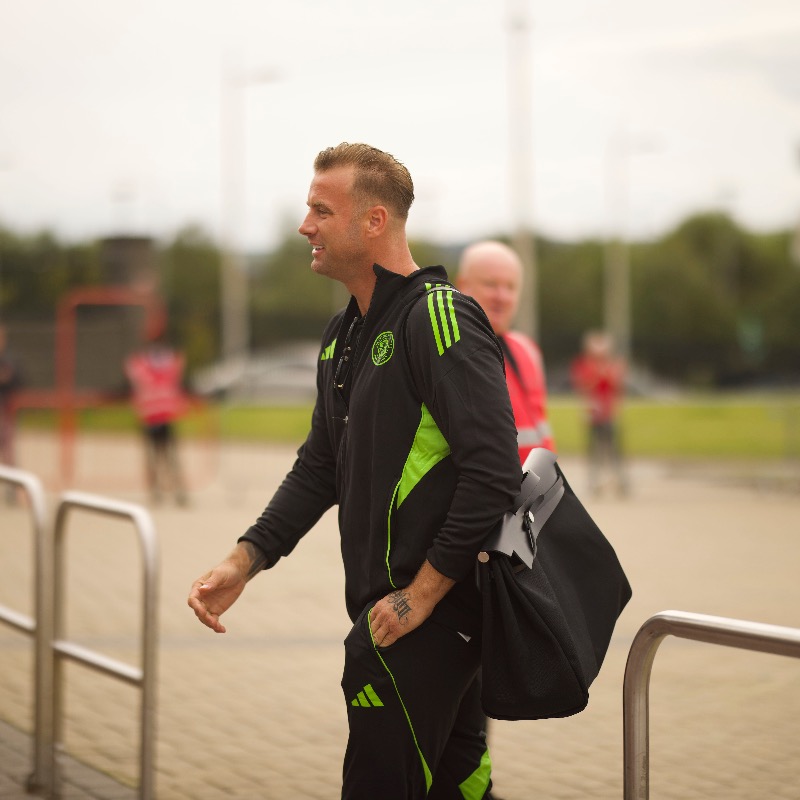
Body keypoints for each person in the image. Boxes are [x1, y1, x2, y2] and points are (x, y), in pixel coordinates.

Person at [188, 143, 520, 799]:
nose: (304, 225)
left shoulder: (440, 316)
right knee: (459, 789)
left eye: (320, 210)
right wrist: (245, 558)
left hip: (427, 618)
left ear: (373, 222)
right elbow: (319, 468)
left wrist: (420, 596)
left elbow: (494, 474)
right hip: (404, 619)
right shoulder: (344, 333)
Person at [457, 240, 555, 463]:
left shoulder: (528, 350)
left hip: (535, 489)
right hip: (489, 491)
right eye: (491, 284)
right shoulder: (449, 352)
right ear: (463, 285)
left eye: (510, 287)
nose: (501, 296)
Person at [124, 323, 189, 506]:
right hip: (158, 414)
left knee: (163, 457)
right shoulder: (169, 361)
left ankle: (167, 491)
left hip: (155, 414)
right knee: (165, 457)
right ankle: (168, 491)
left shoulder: (140, 362)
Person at [570, 330, 629, 496]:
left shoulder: (613, 364)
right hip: (593, 413)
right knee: (594, 450)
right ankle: (594, 482)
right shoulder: (584, 365)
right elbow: (582, 386)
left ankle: (621, 481)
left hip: (609, 412)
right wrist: (597, 374)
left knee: (615, 450)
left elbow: (618, 385)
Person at [0, 324, 23, 501]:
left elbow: (17, 379)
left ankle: (13, 489)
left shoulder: (9, 359)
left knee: (8, 452)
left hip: (4, 410)